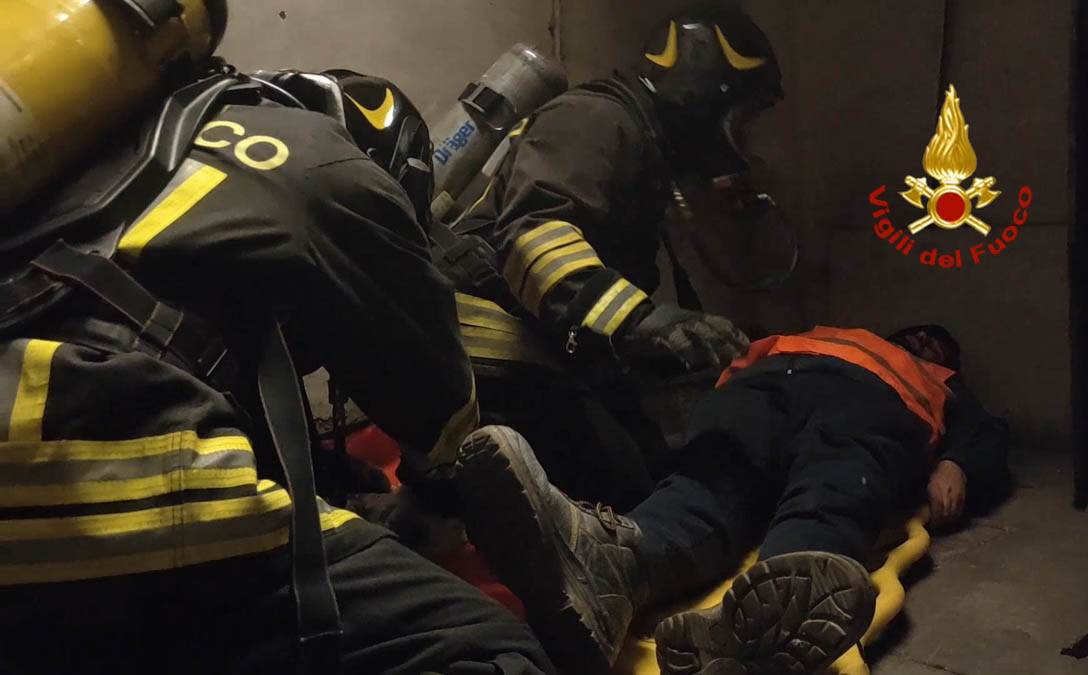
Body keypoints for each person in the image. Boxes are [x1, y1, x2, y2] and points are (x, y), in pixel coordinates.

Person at [0, 3, 552, 673]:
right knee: (489, 647)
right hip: (84, 453)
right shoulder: (325, 161)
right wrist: (439, 497)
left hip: (35, 449)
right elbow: (439, 407)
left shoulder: (135, 144)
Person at [456, 324, 1010, 674]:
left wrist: (957, 462)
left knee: (830, 496)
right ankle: (613, 570)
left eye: (936, 346)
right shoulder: (824, 330)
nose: (922, 345)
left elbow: (985, 432)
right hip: (763, 390)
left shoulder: (938, 381)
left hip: (870, 408)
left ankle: (760, 631)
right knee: (699, 491)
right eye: (918, 335)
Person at [437, 8, 784, 506]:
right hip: (487, 344)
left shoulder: (640, 138)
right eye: (740, 117)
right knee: (626, 490)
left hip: (533, 343)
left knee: (657, 461)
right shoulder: (595, 118)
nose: (740, 137)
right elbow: (534, 237)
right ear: (704, 92)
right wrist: (642, 320)